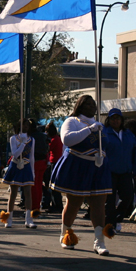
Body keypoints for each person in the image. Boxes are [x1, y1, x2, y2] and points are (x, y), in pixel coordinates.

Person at [50, 95, 112, 255]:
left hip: (98, 168)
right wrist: (88, 130)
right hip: (79, 166)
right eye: (88, 104)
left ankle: (99, 241)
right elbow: (67, 140)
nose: (92, 107)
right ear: (80, 106)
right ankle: (66, 235)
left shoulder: (100, 125)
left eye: (93, 104)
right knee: (74, 203)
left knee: (99, 205)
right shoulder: (72, 121)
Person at [102, 108, 136, 231]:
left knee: (127, 197)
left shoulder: (128, 134)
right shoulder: (104, 133)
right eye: (113, 118)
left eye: (118, 118)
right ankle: (110, 224)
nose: (115, 121)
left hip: (125, 171)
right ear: (109, 120)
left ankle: (117, 218)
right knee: (109, 200)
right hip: (110, 172)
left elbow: (135, 153)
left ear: (121, 120)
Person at [1, 119, 36, 229]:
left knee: (28, 193)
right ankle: (9, 219)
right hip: (16, 166)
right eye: (23, 125)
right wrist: (22, 143)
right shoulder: (13, 138)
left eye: (27, 126)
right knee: (13, 193)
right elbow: (15, 154)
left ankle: (29, 220)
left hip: (26, 166)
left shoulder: (32, 139)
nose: (25, 127)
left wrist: (33, 171)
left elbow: (32, 156)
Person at [42, 121, 64, 214]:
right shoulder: (57, 138)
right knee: (53, 185)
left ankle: (57, 205)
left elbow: (47, 149)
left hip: (54, 162)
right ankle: (55, 204)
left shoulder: (53, 140)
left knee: (53, 185)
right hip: (55, 161)